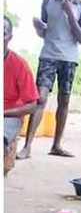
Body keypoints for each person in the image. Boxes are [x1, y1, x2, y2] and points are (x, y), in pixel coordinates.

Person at [20, 0, 81, 159]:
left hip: (69, 58)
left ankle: (56, 145)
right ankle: (27, 147)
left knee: (64, 100)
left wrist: (70, 14)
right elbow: (45, 32)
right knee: (40, 98)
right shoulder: (48, 1)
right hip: (48, 55)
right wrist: (38, 27)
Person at [4, 16, 40, 174]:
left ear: (9, 38)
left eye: (3, 33)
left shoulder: (19, 65)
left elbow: (32, 105)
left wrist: (4, 112)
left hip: (8, 117)